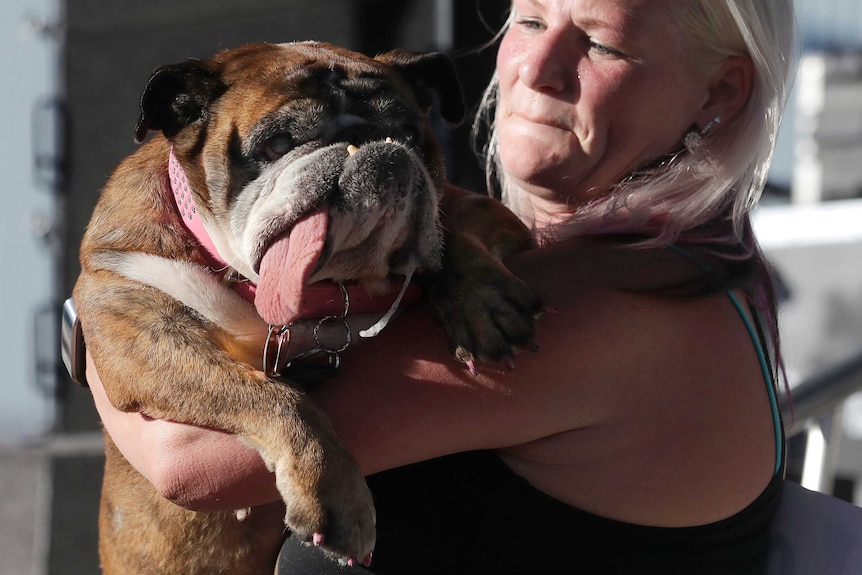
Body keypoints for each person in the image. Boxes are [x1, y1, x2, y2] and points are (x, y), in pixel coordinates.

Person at [84, 0, 797, 572]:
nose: (539, 67)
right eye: (530, 21)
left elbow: (191, 463)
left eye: (603, 45)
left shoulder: (591, 313)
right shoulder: (656, 266)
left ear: (722, 91)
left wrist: (96, 314)